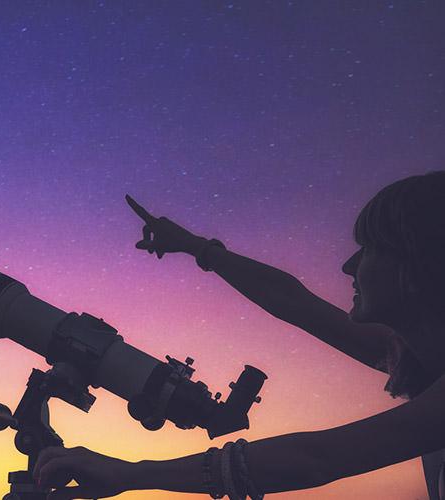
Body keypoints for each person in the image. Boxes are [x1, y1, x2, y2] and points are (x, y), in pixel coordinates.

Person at [32, 171, 445, 499]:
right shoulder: (414, 357)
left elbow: (314, 459)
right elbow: (293, 301)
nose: (348, 267)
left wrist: (131, 473)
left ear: (419, 263)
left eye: (370, 249)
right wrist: (198, 248)